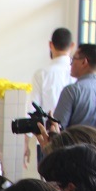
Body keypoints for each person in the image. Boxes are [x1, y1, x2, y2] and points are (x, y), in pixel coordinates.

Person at [51, 44, 96, 138]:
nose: (71, 64)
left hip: (74, 146)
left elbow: (57, 129)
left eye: (73, 59)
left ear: (84, 62)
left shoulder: (72, 91)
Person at [27, 27, 75, 165]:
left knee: (48, 176)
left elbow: (33, 109)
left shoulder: (42, 74)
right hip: (73, 139)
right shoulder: (76, 75)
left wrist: (26, 142)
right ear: (72, 46)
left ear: (50, 44)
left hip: (47, 138)